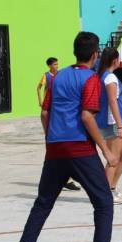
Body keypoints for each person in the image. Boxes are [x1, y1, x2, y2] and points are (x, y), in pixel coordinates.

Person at [9, 32, 122, 242]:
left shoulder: (58, 77)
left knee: (43, 203)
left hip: (55, 148)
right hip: (80, 149)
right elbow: (86, 116)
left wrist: (49, 139)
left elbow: (44, 113)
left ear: (75, 52)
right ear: (95, 55)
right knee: (104, 202)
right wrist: (106, 151)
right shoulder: (91, 79)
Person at [38, 57, 82, 192]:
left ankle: (63, 178)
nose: (57, 66)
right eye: (55, 64)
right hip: (52, 113)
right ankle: (64, 179)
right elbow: (39, 88)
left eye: (58, 64)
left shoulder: (60, 77)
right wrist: (41, 101)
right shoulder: (48, 77)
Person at [96, 47, 122, 205]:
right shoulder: (110, 78)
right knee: (114, 159)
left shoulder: (105, 75)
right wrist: (120, 125)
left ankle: (111, 187)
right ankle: (104, 194)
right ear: (114, 60)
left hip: (114, 122)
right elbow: (112, 101)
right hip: (112, 123)